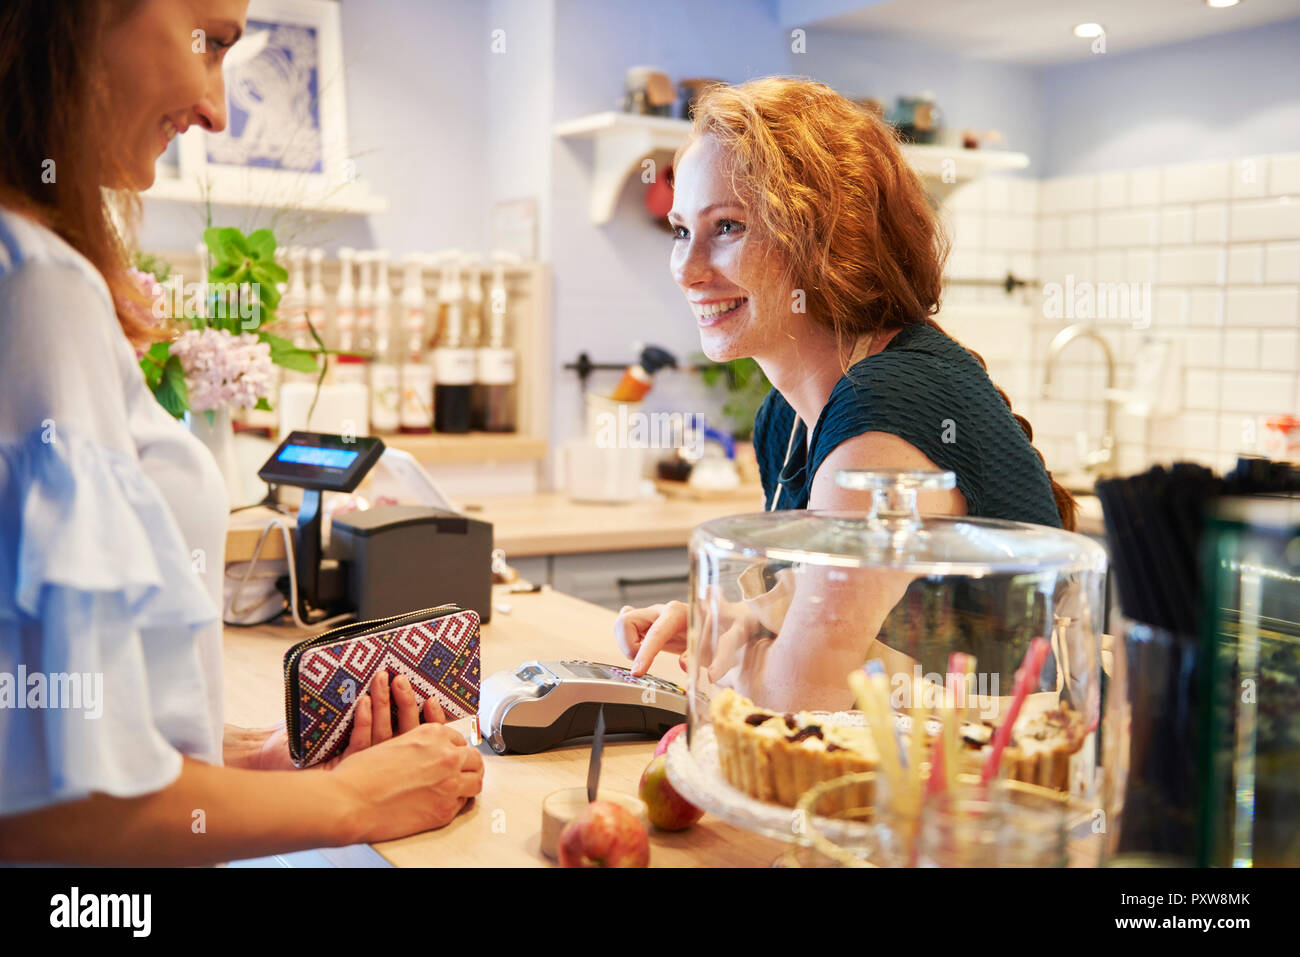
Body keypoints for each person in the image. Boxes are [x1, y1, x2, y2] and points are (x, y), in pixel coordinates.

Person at [0, 0, 482, 865]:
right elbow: (66, 809)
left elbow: (53, 726)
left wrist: (258, 762)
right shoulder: (35, 284)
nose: (218, 111)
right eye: (212, 44)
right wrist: (349, 800)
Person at [616, 78, 1079, 710]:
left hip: (987, 790)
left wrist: (739, 658)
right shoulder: (786, 417)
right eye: (679, 231)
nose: (688, 269)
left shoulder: (881, 417)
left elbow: (800, 695)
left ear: (827, 239)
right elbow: (823, 612)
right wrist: (723, 625)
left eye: (727, 226)